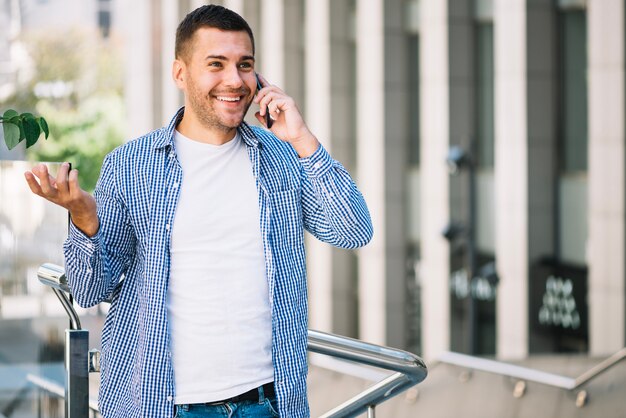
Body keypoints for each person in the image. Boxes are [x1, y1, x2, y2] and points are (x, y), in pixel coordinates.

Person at [24, 5, 372, 418]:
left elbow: (353, 230)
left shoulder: (282, 157)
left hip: (268, 403)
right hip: (163, 405)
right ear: (180, 74)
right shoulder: (131, 166)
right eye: (216, 64)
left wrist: (302, 139)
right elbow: (88, 290)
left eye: (245, 65)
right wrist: (85, 220)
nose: (234, 80)